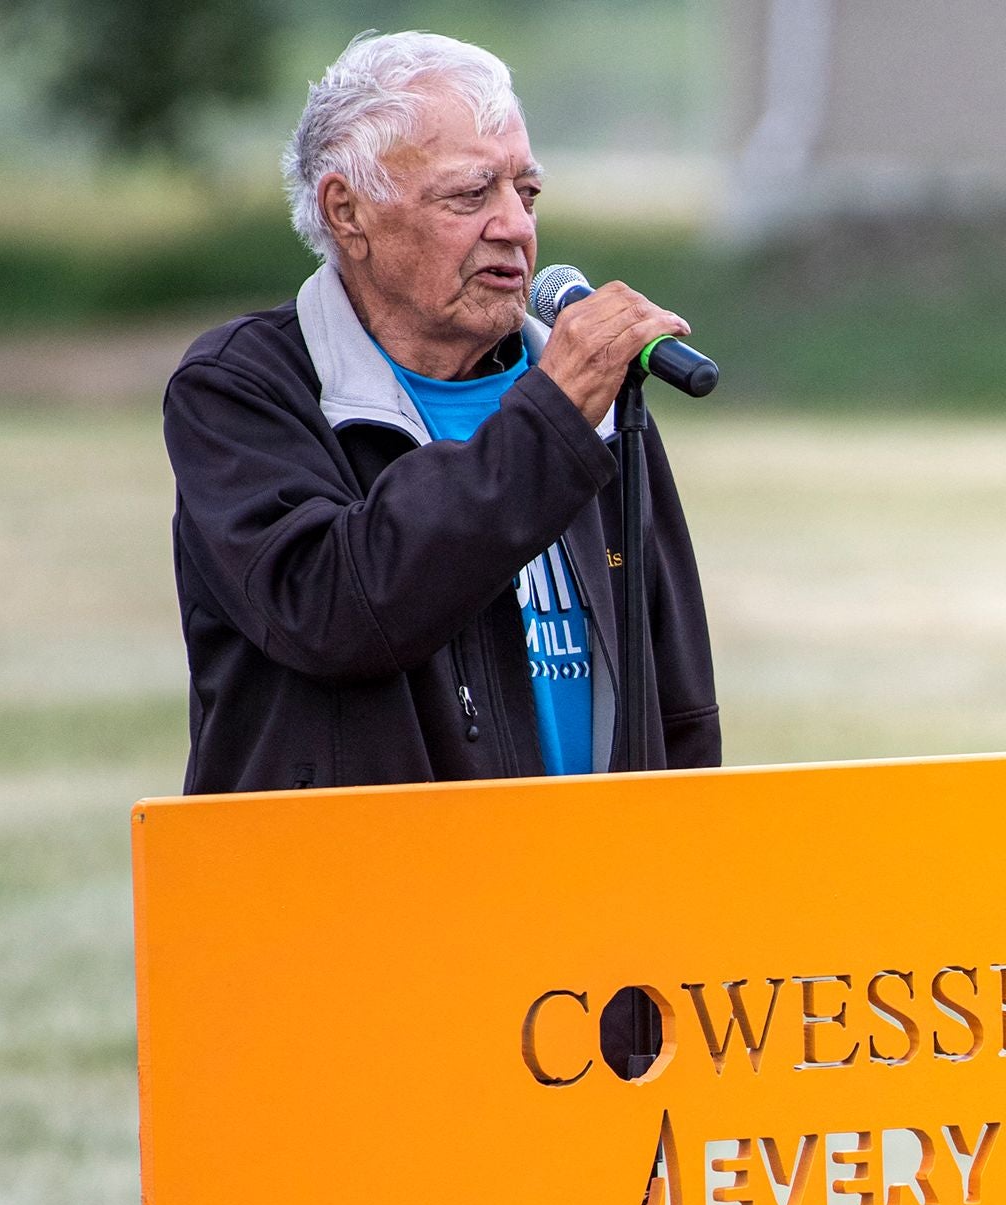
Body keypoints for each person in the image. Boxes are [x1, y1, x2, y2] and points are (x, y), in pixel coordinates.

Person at [163, 31, 721, 794]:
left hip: (589, 892)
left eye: (525, 193)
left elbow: (674, 695)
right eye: (471, 194)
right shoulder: (242, 387)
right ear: (348, 212)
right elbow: (334, 612)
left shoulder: (589, 394)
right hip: (356, 896)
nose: (516, 227)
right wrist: (551, 421)